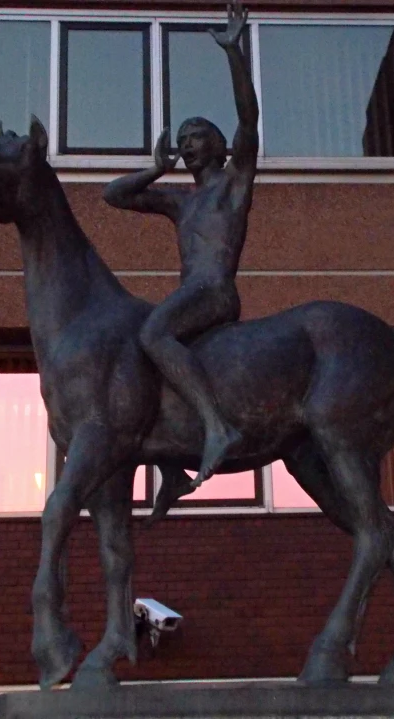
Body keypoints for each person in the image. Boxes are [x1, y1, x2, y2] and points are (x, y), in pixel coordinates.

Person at [103, 0, 259, 487]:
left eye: (197, 136)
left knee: (152, 334)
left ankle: (217, 427)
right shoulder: (179, 200)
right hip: (191, 295)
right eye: (184, 137)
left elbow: (249, 121)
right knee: (143, 352)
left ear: (217, 146)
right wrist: (155, 168)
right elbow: (114, 195)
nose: (188, 143)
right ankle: (172, 460)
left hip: (214, 293)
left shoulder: (233, 183)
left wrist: (234, 53)